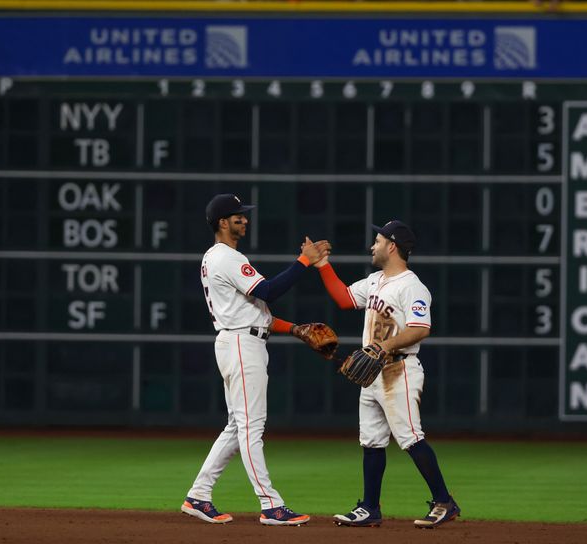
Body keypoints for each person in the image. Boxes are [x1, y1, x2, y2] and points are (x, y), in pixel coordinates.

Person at [181, 193, 330, 526]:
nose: (245, 219)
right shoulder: (226, 258)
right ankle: (271, 505)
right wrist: (304, 261)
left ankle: (198, 496)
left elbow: (253, 311)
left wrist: (293, 328)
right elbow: (268, 292)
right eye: (238, 215)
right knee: (251, 428)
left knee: (237, 426)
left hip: (240, 340)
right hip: (240, 344)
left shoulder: (217, 257)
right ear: (222, 222)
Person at [314, 220, 460, 529]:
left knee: (410, 438)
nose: (372, 246)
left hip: (399, 370)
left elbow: (421, 328)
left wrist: (385, 346)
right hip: (373, 372)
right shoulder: (375, 281)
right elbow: (343, 298)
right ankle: (369, 508)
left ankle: (445, 501)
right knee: (371, 441)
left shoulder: (412, 286)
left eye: (378, 240)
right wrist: (322, 265)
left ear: (392, 246)